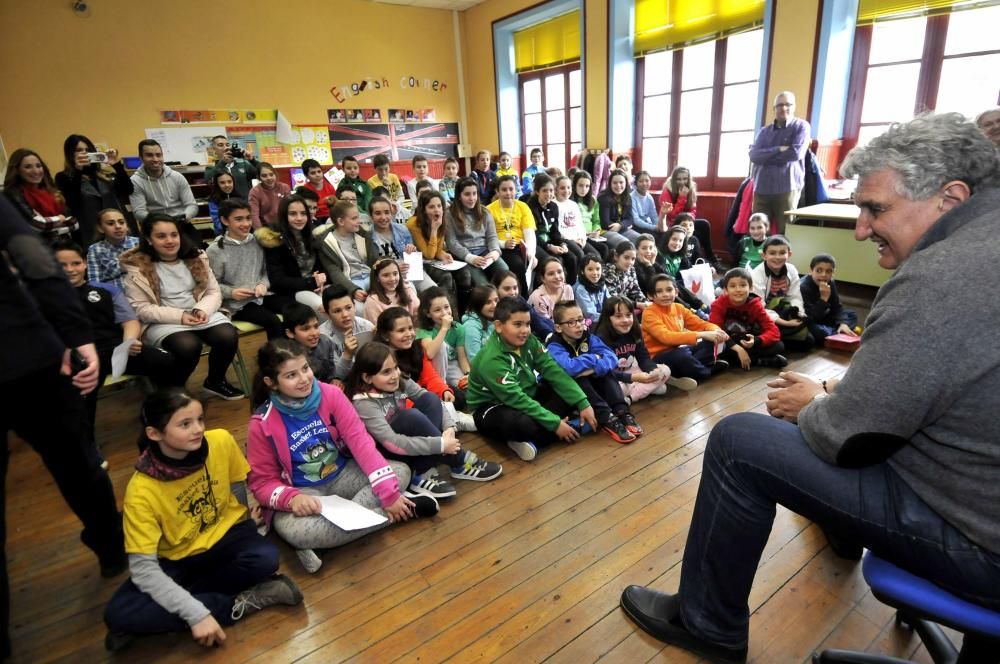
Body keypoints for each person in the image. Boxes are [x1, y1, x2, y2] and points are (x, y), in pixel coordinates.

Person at [620, 112, 1000, 664]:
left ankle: (708, 624)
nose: (863, 229)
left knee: (737, 442)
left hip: (978, 542)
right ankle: (844, 530)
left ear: (950, 197)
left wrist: (815, 405)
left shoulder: (942, 278)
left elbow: (850, 437)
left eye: (875, 209)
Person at [0, 197, 125, 657]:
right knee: (77, 461)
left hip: (26, 354)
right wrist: (76, 334)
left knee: (77, 459)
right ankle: (112, 547)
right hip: (26, 352)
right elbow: (35, 260)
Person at [102, 388, 302, 650]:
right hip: (177, 558)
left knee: (265, 557)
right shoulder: (140, 491)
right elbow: (143, 570)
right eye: (185, 424)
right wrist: (195, 613)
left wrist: (246, 522)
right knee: (118, 613)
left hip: (227, 536)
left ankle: (162, 614)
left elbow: (235, 485)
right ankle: (239, 603)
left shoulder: (219, 440)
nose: (197, 429)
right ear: (154, 433)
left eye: (199, 419)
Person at [247, 339, 438, 574]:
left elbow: (362, 444)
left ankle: (321, 542)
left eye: (305, 368)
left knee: (400, 472)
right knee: (292, 530)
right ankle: (401, 512)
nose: (304, 378)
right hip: (304, 492)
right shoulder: (261, 424)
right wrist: (291, 499)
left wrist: (388, 494)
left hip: (343, 474)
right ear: (271, 383)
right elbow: (262, 483)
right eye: (291, 375)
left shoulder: (331, 394)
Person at [344, 342, 502, 500]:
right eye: (386, 372)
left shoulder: (399, 380)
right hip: (388, 452)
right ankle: (458, 461)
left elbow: (430, 399)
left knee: (430, 399)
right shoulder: (363, 403)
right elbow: (391, 442)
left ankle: (424, 470)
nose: (394, 375)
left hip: (409, 444)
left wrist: (449, 428)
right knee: (410, 416)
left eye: (395, 367)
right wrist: (440, 444)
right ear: (367, 377)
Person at [53, 239, 175, 443]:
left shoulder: (107, 290)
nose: (70, 270)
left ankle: (165, 417)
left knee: (166, 361)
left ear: (84, 263)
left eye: (75, 263)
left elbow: (129, 321)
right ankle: (86, 443)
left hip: (116, 348)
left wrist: (129, 342)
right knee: (81, 388)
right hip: (80, 357)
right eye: (62, 265)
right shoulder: (48, 297)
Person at [120, 214, 245, 399]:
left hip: (199, 313)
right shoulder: (137, 267)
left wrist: (201, 309)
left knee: (227, 335)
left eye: (174, 234)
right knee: (188, 346)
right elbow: (141, 308)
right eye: (161, 236)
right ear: (148, 239)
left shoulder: (196, 257)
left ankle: (215, 381)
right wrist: (180, 316)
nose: (170, 240)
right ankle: (173, 391)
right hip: (163, 320)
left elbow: (213, 292)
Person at [467, 297, 597, 462]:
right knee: (521, 425)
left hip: (527, 395)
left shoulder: (529, 341)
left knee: (571, 387)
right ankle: (563, 428)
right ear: (499, 326)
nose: (525, 330)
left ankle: (536, 439)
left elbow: (553, 372)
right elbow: (517, 399)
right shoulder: (492, 360)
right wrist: (555, 424)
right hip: (493, 407)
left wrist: (582, 403)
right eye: (517, 324)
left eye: (528, 324)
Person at [546, 300, 640, 444]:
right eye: (571, 322)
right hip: (564, 394)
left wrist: (595, 367)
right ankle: (606, 417)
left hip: (591, 389)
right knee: (578, 376)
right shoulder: (554, 345)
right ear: (558, 327)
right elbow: (569, 368)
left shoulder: (588, 337)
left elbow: (612, 358)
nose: (578, 325)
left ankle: (622, 411)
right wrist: (593, 357)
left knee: (605, 371)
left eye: (580, 319)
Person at [375, 307, 475, 431]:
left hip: (421, 397)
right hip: (400, 410)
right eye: (401, 330)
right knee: (426, 410)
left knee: (455, 396)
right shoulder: (382, 361)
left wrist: (443, 391)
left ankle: (449, 420)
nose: (409, 334)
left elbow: (430, 376)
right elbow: (398, 399)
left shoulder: (416, 348)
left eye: (410, 328)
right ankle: (454, 420)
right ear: (385, 335)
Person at [207, 199, 290, 340]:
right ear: (225, 220)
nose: (246, 224)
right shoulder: (215, 250)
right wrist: (231, 292)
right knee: (273, 322)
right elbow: (211, 285)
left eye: (248, 218)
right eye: (239, 219)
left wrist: (263, 284)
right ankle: (277, 359)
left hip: (262, 296)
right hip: (236, 304)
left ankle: (295, 355)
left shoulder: (257, 241)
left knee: (295, 311)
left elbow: (264, 271)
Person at [641, 274, 728, 383]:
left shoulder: (679, 307)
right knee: (681, 356)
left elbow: (700, 324)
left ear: (676, 292)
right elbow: (666, 337)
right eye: (659, 291)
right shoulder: (649, 313)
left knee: (717, 342)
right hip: (659, 356)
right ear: (650, 295)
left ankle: (688, 369)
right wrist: (700, 334)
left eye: (669, 290)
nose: (665, 294)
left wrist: (716, 331)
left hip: (680, 349)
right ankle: (706, 371)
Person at [593, 295, 677, 402]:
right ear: (608, 318)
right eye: (618, 316)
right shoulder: (600, 339)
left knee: (665, 370)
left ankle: (632, 396)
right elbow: (605, 372)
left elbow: (644, 358)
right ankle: (642, 392)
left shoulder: (635, 331)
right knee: (615, 388)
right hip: (615, 377)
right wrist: (632, 378)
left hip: (632, 370)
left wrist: (653, 370)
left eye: (629, 315)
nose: (625, 320)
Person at [748, 91, 811, 234]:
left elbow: (796, 153)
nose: (783, 108)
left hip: (787, 188)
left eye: (788, 104)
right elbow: (754, 156)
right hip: (761, 188)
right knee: (757, 232)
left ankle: (784, 257)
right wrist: (779, 149)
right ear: (774, 108)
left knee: (786, 232)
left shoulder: (801, 127)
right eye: (780, 105)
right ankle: (758, 257)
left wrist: (766, 155)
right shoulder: (764, 131)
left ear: (794, 106)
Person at [55, 134, 133, 244]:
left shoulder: (104, 175)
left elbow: (127, 190)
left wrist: (116, 165)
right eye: (79, 150)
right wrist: (78, 170)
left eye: (87, 150)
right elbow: (72, 202)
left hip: (116, 230)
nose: (84, 153)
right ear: (70, 154)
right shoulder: (63, 177)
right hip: (88, 233)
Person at [256, 195, 327, 313]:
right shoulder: (274, 239)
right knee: (322, 307)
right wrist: (310, 282)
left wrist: (322, 277)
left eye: (303, 213)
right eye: (293, 214)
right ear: (284, 216)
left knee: (341, 301)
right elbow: (277, 280)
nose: (299, 218)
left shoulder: (313, 235)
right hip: (291, 292)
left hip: (315, 286)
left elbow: (322, 267)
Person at [709, 268, 788, 370]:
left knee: (779, 345)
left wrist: (756, 341)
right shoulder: (718, 304)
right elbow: (715, 330)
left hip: (746, 341)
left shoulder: (755, 305)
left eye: (743, 285)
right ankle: (761, 361)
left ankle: (747, 360)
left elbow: (774, 332)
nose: (738, 289)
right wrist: (737, 348)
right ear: (725, 290)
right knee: (715, 349)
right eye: (732, 286)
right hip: (728, 342)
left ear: (750, 288)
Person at [407, 191, 473, 310]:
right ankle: (450, 315)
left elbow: (437, 250)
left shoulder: (441, 219)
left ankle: (464, 312)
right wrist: (434, 230)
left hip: (432, 260)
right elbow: (429, 254)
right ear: (423, 209)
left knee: (465, 274)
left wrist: (443, 254)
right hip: (419, 263)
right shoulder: (413, 224)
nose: (437, 210)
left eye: (439, 206)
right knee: (446, 277)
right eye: (431, 207)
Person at [750, 235, 813, 351]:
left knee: (809, 341)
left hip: (780, 310)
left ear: (789, 255)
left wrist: (799, 313)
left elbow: (795, 296)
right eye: (772, 253)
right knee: (779, 343)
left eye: (782, 253)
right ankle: (774, 340)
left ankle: (777, 340)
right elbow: (759, 307)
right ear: (764, 255)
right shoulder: (756, 274)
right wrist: (785, 323)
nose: (777, 257)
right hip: (762, 315)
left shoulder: (791, 269)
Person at [368, 195, 442, 293]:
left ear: (391, 213)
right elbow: (372, 264)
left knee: (434, 290)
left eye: (387, 212)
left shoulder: (401, 229)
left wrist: (412, 250)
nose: (383, 217)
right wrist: (394, 266)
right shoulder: (367, 236)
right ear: (371, 215)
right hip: (389, 276)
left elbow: (412, 255)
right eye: (378, 213)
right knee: (410, 294)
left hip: (410, 271)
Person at [444, 177, 508, 286]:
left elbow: (492, 236)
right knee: (482, 285)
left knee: (504, 273)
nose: (472, 198)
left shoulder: (485, 212)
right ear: (459, 196)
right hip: (465, 255)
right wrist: (470, 258)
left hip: (485, 252)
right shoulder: (449, 214)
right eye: (467, 194)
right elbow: (451, 242)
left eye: (474, 193)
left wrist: (494, 253)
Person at [3, 148, 77, 241]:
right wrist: (59, 219)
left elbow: (74, 223)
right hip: (36, 249)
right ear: (17, 170)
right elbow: (38, 225)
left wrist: (49, 225)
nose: (36, 171)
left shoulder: (50, 190)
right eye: (28, 167)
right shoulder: (12, 193)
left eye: (38, 166)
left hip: (64, 244)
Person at [486, 175, 537, 295]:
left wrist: (531, 254)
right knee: (518, 265)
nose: (508, 193)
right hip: (502, 247)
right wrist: (504, 244)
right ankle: (523, 298)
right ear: (497, 191)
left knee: (543, 262)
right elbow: (488, 237)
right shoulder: (489, 210)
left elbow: (529, 232)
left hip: (524, 245)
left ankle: (538, 296)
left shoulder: (523, 206)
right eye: (504, 190)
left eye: (511, 189)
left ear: (516, 190)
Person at [314, 200, 373, 300]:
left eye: (358, 217)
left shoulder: (363, 234)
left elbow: (374, 260)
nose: (359, 221)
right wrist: (353, 289)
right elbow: (334, 272)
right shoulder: (326, 243)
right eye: (354, 218)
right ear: (341, 221)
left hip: (371, 276)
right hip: (350, 281)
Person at [130, 139, 198, 223]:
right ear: (141, 157)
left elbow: (191, 205)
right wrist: (161, 223)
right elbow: (139, 212)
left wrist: (185, 216)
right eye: (149, 155)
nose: (155, 159)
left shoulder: (177, 177)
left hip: (180, 222)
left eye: (158, 155)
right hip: (154, 225)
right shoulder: (135, 181)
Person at [529, 173, 579, 285]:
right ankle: (546, 291)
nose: (549, 194)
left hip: (551, 242)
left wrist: (562, 244)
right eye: (545, 191)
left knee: (572, 258)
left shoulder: (553, 207)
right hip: (537, 243)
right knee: (555, 262)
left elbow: (555, 231)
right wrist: (550, 247)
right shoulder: (530, 208)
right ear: (537, 192)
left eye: (551, 190)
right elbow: (533, 236)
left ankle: (569, 289)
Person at [799, 253, 859, 345]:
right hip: (810, 320)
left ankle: (837, 330)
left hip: (824, 317)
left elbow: (837, 306)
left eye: (828, 271)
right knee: (819, 333)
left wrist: (842, 323)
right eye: (819, 271)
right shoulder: (803, 287)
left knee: (852, 314)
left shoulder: (831, 282)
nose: (823, 275)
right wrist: (824, 298)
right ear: (811, 270)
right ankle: (836, 333)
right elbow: (810, 317)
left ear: (833, 272)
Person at [319, 286, 376, 381]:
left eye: (348, 308)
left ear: (354, 307)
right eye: (337, 311)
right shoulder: (322, 337)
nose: (345, 315)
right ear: (327, 314)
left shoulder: (366, 326)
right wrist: (347, 354)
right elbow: (334, 377)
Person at [281, 303, 341, 384]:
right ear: (290, 333)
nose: (314, 333)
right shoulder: (287, 356)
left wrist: (334, 380)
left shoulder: (325, 342)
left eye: (316, 326)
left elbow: (331, 370)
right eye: (306, 329)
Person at [87, 208, 139, 289]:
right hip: (114, 296)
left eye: (121, 222)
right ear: (100, 228)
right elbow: (94, 282)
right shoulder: (95, 249)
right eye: (110, 223)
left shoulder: (138, 244)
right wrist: (123, 267)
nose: (118, 226)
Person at [363, 256, 419, 325]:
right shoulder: (372, 302)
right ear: (377, 278)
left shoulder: (407, 290)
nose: (392, 279)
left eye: (395, 274)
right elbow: (379, 330)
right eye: (386, 275)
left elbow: (419, 314)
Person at [205, 135, 259, 199]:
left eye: (227, 145)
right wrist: (223, 162)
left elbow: (263, 172)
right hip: (225, 206)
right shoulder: (211, 168)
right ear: (214, 150)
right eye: (220, 145)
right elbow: (208, 179)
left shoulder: (244, 165)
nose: (226, 148)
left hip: (244, 205)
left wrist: (252, 160)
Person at [527, 257, 574, 325]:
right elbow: (546, 326)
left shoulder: (568, 289)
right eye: (551, 274)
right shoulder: (538, 298)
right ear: (543, 279)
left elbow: (571, 312)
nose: (557, 276)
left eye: (559, 272)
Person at [604, 240, 649, 309]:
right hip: (612, 308)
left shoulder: (631, 270)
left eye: (633, 259)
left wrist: (646, 302)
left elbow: (636, 290)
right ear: (616, 256)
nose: (630, 262)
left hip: (625, 305)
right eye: (626, 258)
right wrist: (637, 304)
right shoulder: (608, 271)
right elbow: (613, 298)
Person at [597, 170, 639, 244]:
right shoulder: (604, 198)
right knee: (626, 244)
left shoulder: (628, 197)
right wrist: (625, 225)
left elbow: (630, 219)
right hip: (606, 231)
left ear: (626, 183)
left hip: (621, 228)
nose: (618, 185)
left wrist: (621, 225)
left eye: (621, 182)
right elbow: (605, 223)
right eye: (615, 183)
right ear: (610, 184)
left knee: (641, 240)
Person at [461, 285, 498, 363]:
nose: (494, 305)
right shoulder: (470, 326)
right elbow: (475, 360)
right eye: (488, 302)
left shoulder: (496, 320)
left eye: (496, 300)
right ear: (478, 305)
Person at [248, 162, 291, 228]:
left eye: (271, 174)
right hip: (265, 228)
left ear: (275, 174)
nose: (269, 178)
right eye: (264, 176)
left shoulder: (285, 187)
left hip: (285, 226)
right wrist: (261, 233)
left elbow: (290, 209)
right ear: (259, 177)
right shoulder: (254, 192)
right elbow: (254, 215)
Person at [573, 254, 610, 326]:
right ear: (582, 271)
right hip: (587, 324)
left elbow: (610, 301)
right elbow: (590, 315)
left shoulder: (602, 284)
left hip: (601, 319)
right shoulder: (580, 289)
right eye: (590, 269)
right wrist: (611, 318)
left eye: (598, 269)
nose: (595, 273)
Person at [366, 154, 406, 219]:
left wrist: (396, 205)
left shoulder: (394, 177)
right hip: (383, 212)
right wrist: (385, 186)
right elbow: (375, 202)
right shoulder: (371, 182)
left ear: (389, 167)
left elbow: (401, 195)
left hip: (397, 208)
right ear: (375, 169)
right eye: (380, 170)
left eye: (386, 169)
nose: (384, 173)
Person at [300, 159, 336, 223]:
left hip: (331, 217)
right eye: (313, 173)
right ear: (306, 176)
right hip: (314, 218)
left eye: (319, 171)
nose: (317, 175)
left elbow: (335, 204)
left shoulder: (330, 187)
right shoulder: (305, 189)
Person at [207, 170, 237, 235]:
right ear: (217, 184)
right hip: (222, 234)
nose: (227, 185)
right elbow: (217, 221)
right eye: (222, 183)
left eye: (229, 182)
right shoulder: (213, 200)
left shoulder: (239, 197)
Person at [629, 171, 659, 235]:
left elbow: (654, 216)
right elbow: (636, 220)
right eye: (641, 181)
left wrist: (658, 226)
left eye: (647, 181)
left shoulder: (649, 197)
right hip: (635, 226)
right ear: (636, 183)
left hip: (647, 224)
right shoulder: (631, 197)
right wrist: (654, 227)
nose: (644, 183)